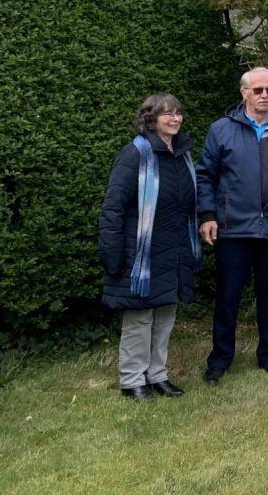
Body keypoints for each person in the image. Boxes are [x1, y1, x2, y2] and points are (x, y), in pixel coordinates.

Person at [197, 67, 268, 384]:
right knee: (227, 298)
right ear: (243, 92)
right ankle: (219, 360)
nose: (264, 95)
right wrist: (207, 215)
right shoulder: (221, 130)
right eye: (258, 90)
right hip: (233, 229)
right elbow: (205, 175)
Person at [99, 94, 200, 399]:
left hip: (174, 249)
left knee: (165, 316)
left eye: (179, 113)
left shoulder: (182, 155)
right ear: (150, 119)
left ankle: (157, 375)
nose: (175, 118)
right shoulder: (135, 155)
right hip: (140, 254)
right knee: (140, 318)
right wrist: (113, 253)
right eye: (167, 114)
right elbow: (113, 207)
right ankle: (132, 380)